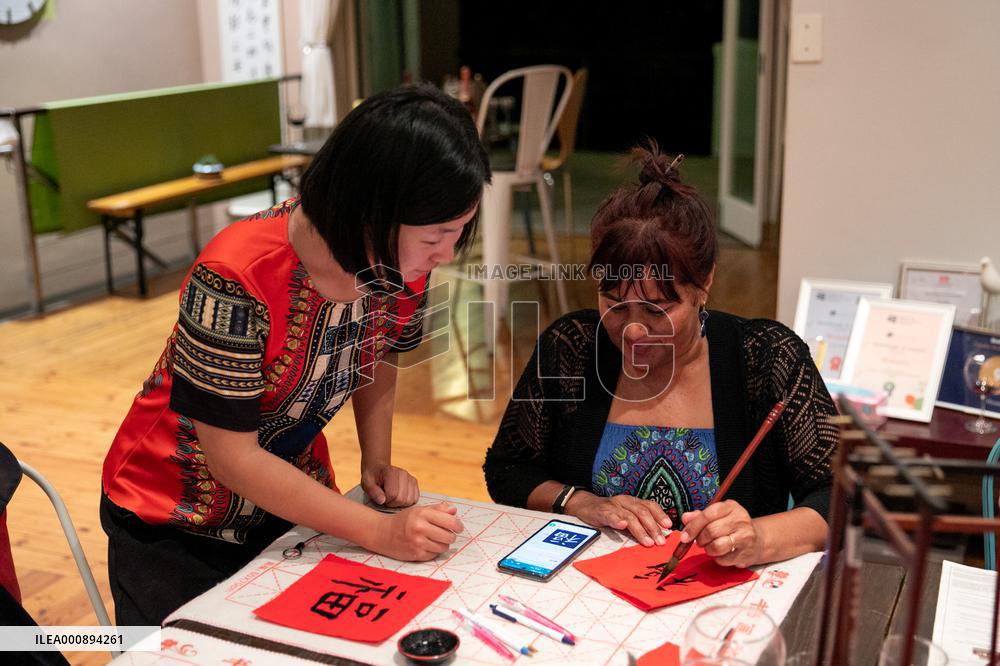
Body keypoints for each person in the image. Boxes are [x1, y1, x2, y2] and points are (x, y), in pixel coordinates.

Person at [102, 84, 491, 626]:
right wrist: (379, 531)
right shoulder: (236, 277)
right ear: (372, 211)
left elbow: (379, 354)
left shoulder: (402, 269)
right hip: (172, 519)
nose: (447, 253)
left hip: (292, 498)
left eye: (459, 232)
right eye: (437, 235)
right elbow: (231, 457)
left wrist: (376, 460)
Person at [484, 145, 836, 568]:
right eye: (614, 303)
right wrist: (577, 501)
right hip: (588, 597)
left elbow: (838, 495)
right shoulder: (571, 347)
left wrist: (760, 536)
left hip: (724, 605)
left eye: (657, 310)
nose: (632, 330)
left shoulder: (767, 358)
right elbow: (506, 470)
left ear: (704, 283)